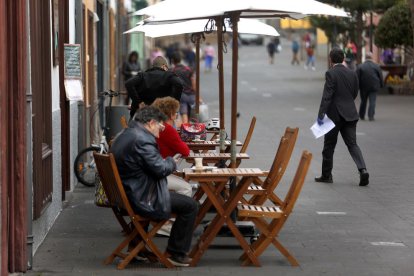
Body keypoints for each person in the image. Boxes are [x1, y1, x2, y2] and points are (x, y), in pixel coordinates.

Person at [110, 106, 198, 266]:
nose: (163, 128)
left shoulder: (126, 134)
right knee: (191, 206)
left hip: (129, 193)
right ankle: (176, 253)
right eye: (160, 124)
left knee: (184, 200)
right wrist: (172, 161)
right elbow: (160, 170)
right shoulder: (142, 140)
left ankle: (136, 248)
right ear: (150, 123)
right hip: (142, 197)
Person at [315, 47, 369, 187]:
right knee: (352, 144)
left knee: (329, 146)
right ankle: (363, 170)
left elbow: (327, 96)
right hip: (350, 113)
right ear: (343, 59)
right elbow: (354, 93)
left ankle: (327, 176)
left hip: (334, 116)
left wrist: (321, 116)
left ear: (330, 59)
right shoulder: (352, 73)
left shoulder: (330, 73)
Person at [152, 97, 192, 236]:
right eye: (176, 112)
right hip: (157, 175)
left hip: (153, 171)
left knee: (181, 185)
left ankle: (166, 221)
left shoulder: (156, 126)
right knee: (186, 188)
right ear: (170, 114)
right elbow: (185, 151)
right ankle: (167, 224)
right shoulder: (168, 129)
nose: (177, 115)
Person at [357, 52, 384, 121]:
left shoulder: (360, 66)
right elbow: (380, 76)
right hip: (374, 86)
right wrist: (381, 85)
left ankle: (361, 115)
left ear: (365, 58)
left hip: (364, 86)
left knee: (363, 101)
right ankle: (371, 116)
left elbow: (357, 77)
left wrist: (357, 87)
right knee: (372, 101)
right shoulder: (376, 66)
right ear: (371, 58)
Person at [171, 51, 196, 124]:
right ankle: (194, 131)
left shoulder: (172, 70)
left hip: (181, 95)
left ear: (172, 61)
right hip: (191, 95)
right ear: (181, 59)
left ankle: (186, 130)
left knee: (184, 113)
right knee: (193, 115)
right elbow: (194, 83)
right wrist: (197, 96)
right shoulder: (188, 69)